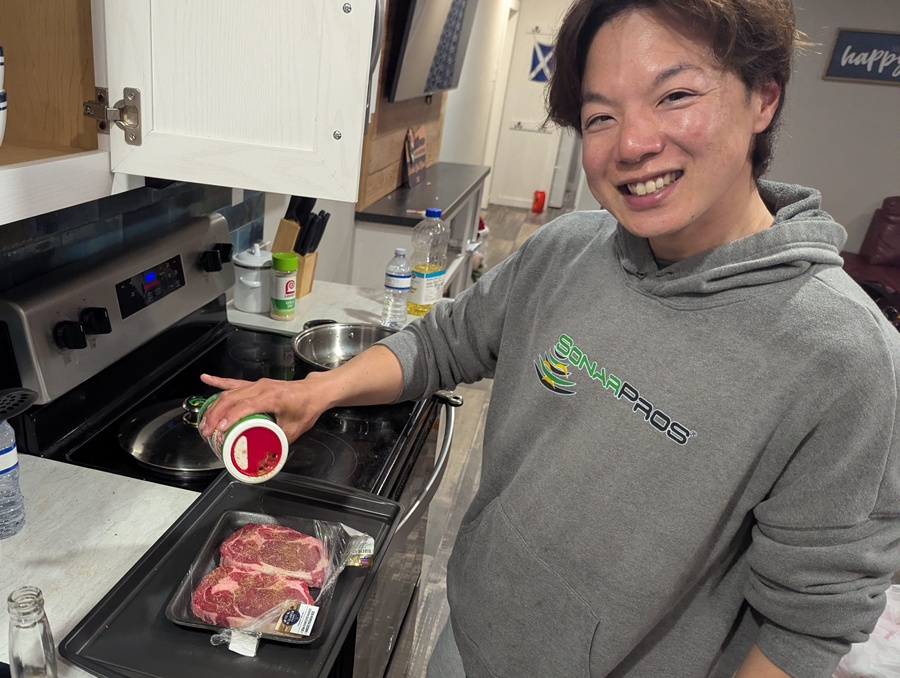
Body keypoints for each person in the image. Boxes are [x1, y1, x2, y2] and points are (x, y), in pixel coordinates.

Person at [199, 0, 900, 675]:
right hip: (467, 639)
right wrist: (316, 391)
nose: (633, 144)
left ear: (764, 97)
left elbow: (809, 620)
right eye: (601, 116)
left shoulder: (844, 356)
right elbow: (441, 341)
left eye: (676, 95)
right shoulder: (565, 249)